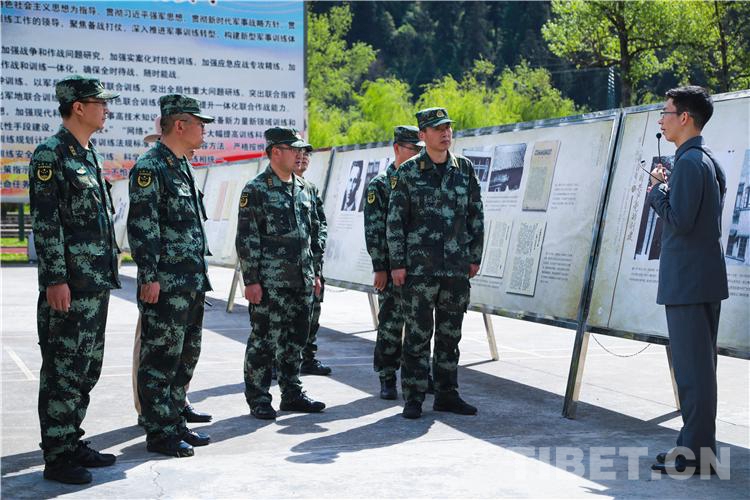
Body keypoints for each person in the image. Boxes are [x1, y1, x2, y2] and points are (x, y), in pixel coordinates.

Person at [29, 75, 120, 484]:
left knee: (86, 368)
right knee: (62, 371)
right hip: (69, 285)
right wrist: (55, 279)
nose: (106, 109)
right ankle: (57, 456)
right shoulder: (50, 155)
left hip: (94, 283)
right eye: (99, 103)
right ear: (78, 107)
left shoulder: (89, 155)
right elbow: (47, 223)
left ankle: (72, 440)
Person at [127, 94, 214, 457]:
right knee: (160, 359)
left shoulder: (181, 166)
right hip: (165, 284)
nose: (204, 130)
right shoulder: (151, 167)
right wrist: (149, 275)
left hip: (190, 281)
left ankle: (175, 421)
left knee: (184, 357)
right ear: (180, 125)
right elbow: (142, 226)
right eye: (200, 123)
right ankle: (159, 432)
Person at [647, 86, 728, 476]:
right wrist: (668, 187)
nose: (661, 120)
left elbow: (679, 220)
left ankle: (695, 455)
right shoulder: (705, 160)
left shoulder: (691, 163)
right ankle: (696, 449)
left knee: (694, 375)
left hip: (688, 283)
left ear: (685, 118)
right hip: (700, 280)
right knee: (699, 371)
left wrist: (657, 191)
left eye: (666, 112)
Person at [387, 108, 484, 419]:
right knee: (417, 336)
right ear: (423, 135)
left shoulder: (464, 169)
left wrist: (475, 256)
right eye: (438, 128)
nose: (445, 133)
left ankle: (446, 394)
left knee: (450, 335)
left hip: (455, 269)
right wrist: (397, 263)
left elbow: (476, 214)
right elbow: (395, 222)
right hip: (419, 271)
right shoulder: (408, 173)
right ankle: (414, 397)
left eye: (448, 127)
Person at [236, 127, 326, 420]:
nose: (300, 154)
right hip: (270, 282)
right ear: (276, 152)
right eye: (293, 149)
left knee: (295, 341)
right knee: (264, 341)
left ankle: (292, 393)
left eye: (301, 149)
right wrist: (251, 280)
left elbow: (313, 234)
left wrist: (315, 273)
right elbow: (247, 238)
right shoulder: (256, 189)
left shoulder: (305, 188)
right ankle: (259, 398)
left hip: (302, 279)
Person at [364, 125, 424, 400]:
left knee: (420, 325)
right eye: (413, 149)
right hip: (391, 269)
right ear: (397, 148)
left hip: (420, 268)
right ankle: (387, 377)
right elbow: (374, 230)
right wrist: (380, 267)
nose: (417, 155)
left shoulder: (421, 181)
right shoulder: (380, 185)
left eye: (420, 150)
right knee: (390, 324)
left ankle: (421, 375)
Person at [293, 145, 333, 376]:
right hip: (285, 270)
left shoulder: (310, 189)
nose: (302, 157)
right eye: (297, 153)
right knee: (285, 320)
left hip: (311, 265)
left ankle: (307, 357)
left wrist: (316, 259)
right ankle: (279, 362)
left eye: (306, 154)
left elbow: (320, 224)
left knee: (312, 313)